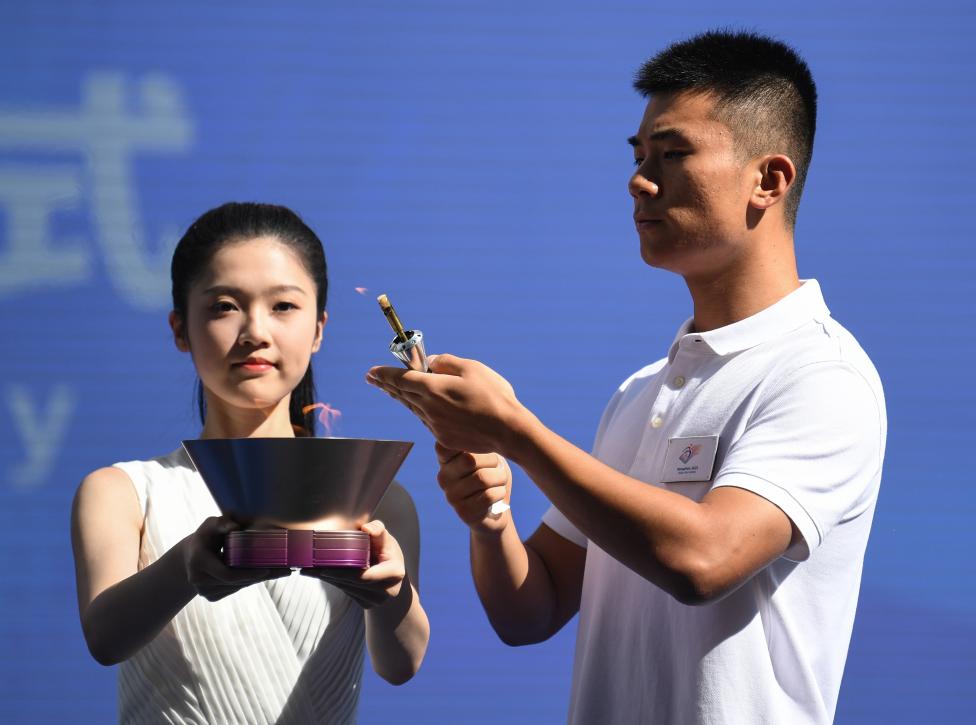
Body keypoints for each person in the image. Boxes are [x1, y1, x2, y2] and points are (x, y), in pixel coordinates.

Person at [366, 30, 885, 724]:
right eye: (639, 156)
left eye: (672, 154)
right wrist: (491, 519)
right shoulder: (640, 392)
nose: (640, 181)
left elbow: (703, 560)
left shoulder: (821, 374)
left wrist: (516, 432)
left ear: (769, 180)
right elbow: (531, 609)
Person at [71, 202, 430, 724]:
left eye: (283, 306)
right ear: (180, 328)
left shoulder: (376, 494)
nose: (255, 331)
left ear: (319, 328)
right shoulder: (123, 490)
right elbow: (105, 638)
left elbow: (401, 663)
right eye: (224, 306)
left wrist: (391, 594)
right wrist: (185, 568)